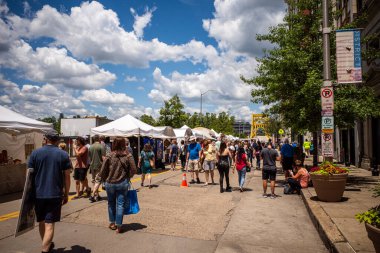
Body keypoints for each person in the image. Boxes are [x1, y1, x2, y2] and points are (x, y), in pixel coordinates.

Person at [28, 132, 71, 253]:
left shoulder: (35, 153)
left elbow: (29, 175)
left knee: (42, 221)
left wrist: (28, 195)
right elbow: (67, 176)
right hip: (55, 194)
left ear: (45, 139)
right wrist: (66, 193)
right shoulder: (63, 154)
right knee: (50, 224)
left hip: (38, 194)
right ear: (57, 140)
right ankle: (45, 249)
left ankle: (46, 245)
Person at [96, 137, 137, 233]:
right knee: (120, 204)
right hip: (122, 183)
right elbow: (134, 169)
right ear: (124, 144)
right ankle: (119, 226)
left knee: (111, 203)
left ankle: (112, 223)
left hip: (110, 183)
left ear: (113, 144)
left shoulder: (109, 155)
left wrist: (104, 178)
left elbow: (102, 171)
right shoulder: (128, 155)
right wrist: (128, 177)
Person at [88, 135, 106, 202]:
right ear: (99, 139)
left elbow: (89, 157)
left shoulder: (90, 147)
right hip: (99, 165)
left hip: (92, 165)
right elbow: (103, 158)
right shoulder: (101, 146)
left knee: (94, 180)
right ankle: (93, 195)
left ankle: (97, 196)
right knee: (98, 180)